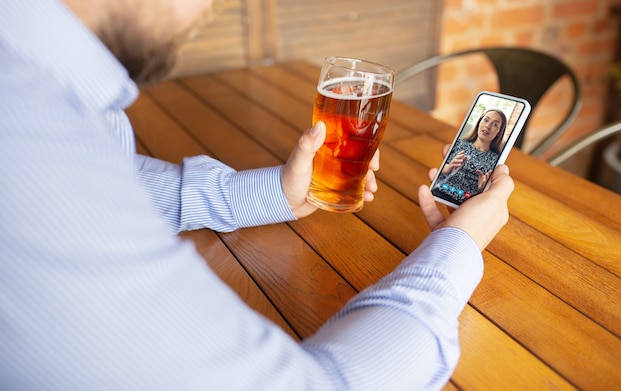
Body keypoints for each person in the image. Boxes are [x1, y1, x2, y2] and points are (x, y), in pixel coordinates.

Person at [0, 0, 514, 390]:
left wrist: (277, 194)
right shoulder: (29, 142)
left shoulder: (37, 90)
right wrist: (458, 246)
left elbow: (117, 180)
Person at [433, 109, 508, 203]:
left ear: (499, 132)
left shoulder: (497, 160)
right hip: (438, 191)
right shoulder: (459, 143)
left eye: (495, 124)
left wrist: (483, 189)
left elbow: (492, 192)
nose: (488, 126)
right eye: (486, 120)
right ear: (479, 122)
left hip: (468, 204)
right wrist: (448, 168)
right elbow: (440, 168)